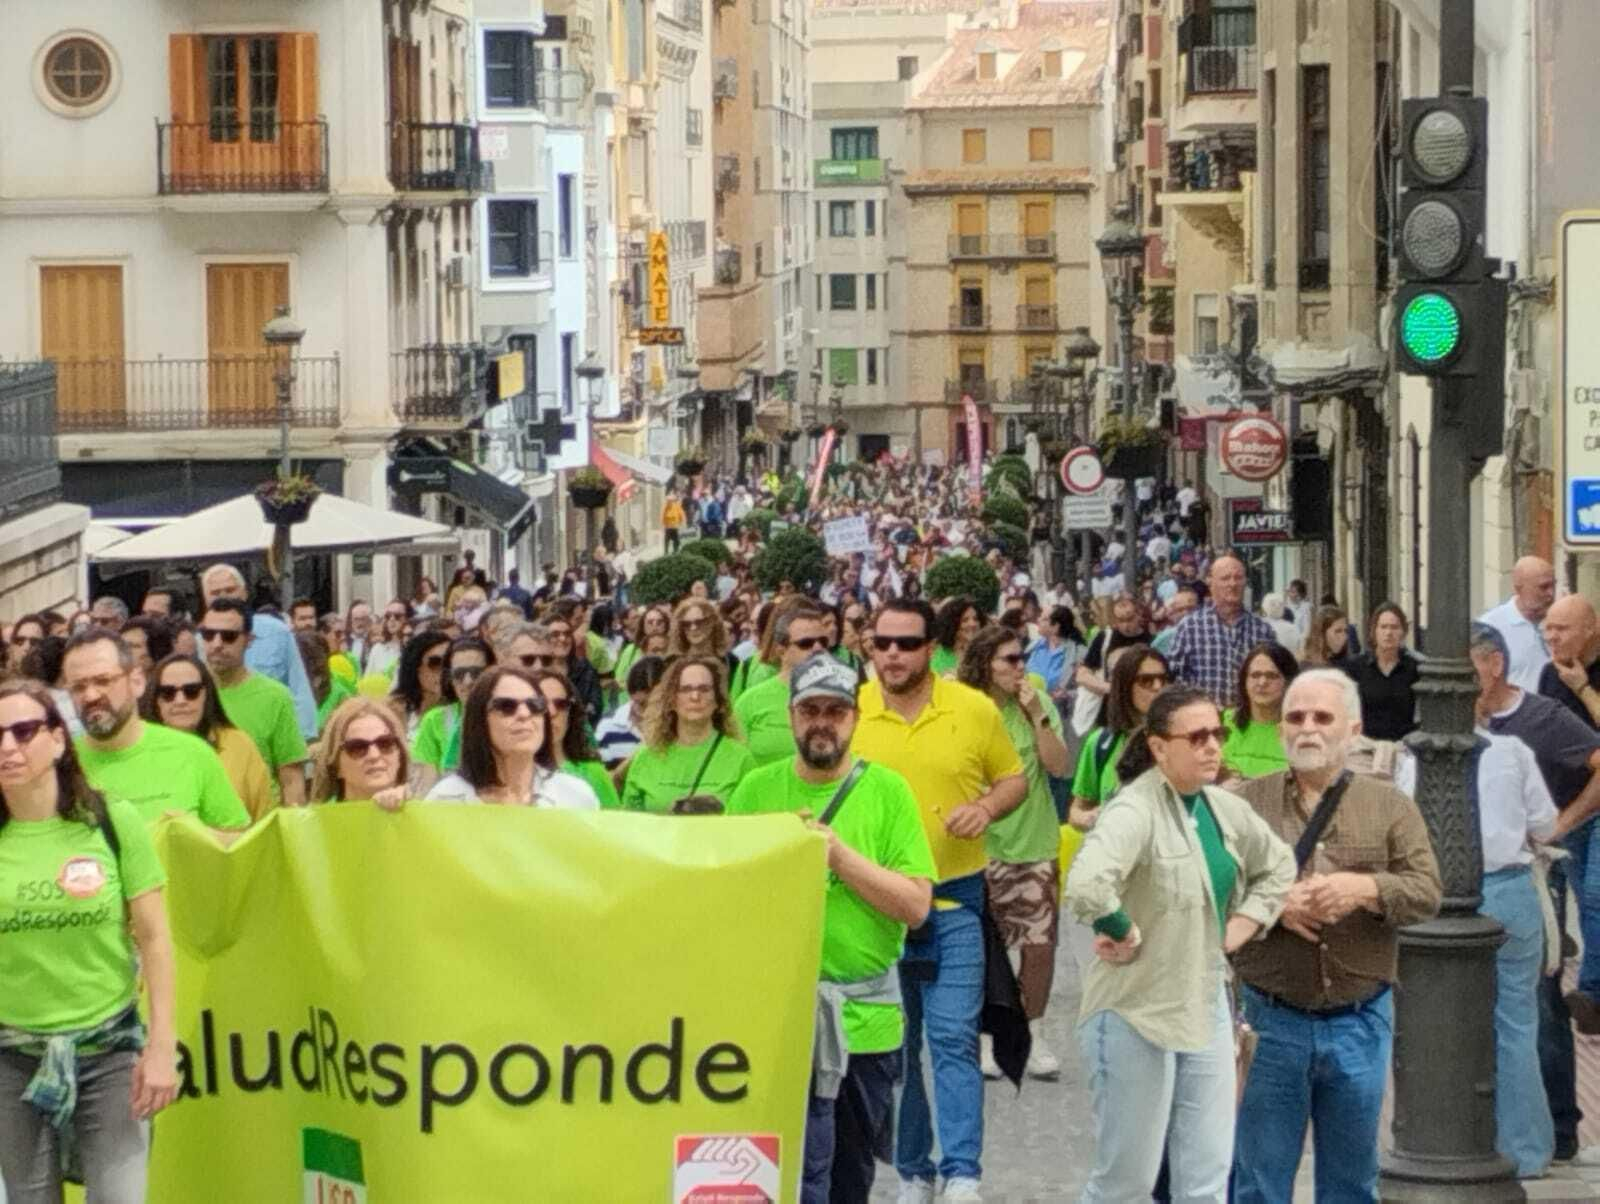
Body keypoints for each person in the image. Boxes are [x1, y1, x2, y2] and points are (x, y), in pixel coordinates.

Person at [1065, 684, 1296, 1204]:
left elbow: (1278, 864)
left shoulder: (1220, 806)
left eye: (1217, 733)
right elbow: (1085, 884)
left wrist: (1241, 926)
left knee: (1207, 1179)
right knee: (1126, 1181)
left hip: (1206, 999)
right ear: (1158, 746)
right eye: (1196, 737)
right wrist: (1122, 927)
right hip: (1135, 1007)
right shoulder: (1134, 809)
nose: (1212, 746)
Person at [726, 655, 935, 1204]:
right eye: (810, 709)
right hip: (776, 1022)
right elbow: (726, 899)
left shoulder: (888, 792)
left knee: (847, 1179)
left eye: (836, 711)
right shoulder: (754, 790)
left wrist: (839, 857)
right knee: (785, 1178)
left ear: (854, 718)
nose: (823, 722)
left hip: (864, 1024)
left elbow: (916, 906)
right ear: (792, 716)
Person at [1230, 669, 1443, 1202]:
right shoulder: (1244, 805)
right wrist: (1275, 906)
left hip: (1358, 1021)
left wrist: (1363, 887)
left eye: (1322, 718)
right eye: (1296, 718)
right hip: (1268, 1020)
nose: (1308, 729)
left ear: (1353, 729)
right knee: (1257, 1180)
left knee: (1351, 1184)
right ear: (1280, 730)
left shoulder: (1390, 805)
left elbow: (1426, 892)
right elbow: (1210, 894)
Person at [850, 598, 1026, 1201]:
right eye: (882, 644)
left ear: (932, 648)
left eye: (906, 644)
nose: (893, 655)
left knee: (951, 1036)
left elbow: (1014, 779)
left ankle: (962, 1174)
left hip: (955, 899)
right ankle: (913, 1170)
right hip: (879, 902)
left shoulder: (972, 709)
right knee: (899, 1043)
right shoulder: (853, 710)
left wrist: (985, 807)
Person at [0, 681, 180, 1197]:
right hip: (12, 1058)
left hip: (110, 1050)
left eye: (25, 731)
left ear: (58, 740)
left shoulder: (109, 822)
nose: (9, 747)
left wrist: (162, 1047)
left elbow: (155, 938)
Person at [1470, 623, 1600, 1154]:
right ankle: (1511, 1138)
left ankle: (1558, 1129)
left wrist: (1558, 828)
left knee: (1538, 1006)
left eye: (1465, 667)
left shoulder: (1538, 722)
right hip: (1473, 883)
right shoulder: (1449, 728)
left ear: (1493, 664)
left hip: (1524, 874)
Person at [957, 627, 1070, 1082]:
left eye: (1022, 658)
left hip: (1035, 841)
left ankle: (1033, 1035)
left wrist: (1038, 715)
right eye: (1009, 660)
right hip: (982, 847)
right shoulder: (968, 710)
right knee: (990, 948)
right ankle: (989, 1038)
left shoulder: (1034, 704)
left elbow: (1060, 766)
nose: (1020, 666)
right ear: (986, 664)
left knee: (1040, 947)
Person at [63, 630, 250, 834]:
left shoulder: (192, 753)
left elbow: (238, 842)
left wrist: (191, 836)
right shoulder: (62, 767)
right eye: (78, 687)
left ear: (137, 682)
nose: (90, 696)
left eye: (103, 681)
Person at [424, 668, 600, 808]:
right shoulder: (445, 799)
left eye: (535, 705)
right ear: (479, 720)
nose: (524, 714)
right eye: (506, 706)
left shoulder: (577, 797)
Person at [198, 598, 309, 807]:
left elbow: (291, 778)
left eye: (228, 636)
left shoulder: (275, 696)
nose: (217, 644)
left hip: (259, 827)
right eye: (208, 635)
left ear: (249, 640)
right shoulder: (183, 692)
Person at [143, 653, 277, 823]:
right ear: (156, 700)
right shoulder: (137, 748)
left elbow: (263, 818)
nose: (180, 700)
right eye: (168, 693)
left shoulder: (238, 745)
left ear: (206, 694)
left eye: (191, 691)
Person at [199, 564, 318, 741]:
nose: (223, 596)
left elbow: (299, 688)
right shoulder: (199, 641)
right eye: (215, 593)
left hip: (273, 736)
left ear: (244, 593)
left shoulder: (277, 632)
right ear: (205, 599)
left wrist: (306, 739)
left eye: (230, 590)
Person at [621, 657, 755, 812]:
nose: (695, 697)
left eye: (704, 689)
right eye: (685, 689)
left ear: (717, 701)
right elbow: (630, 822)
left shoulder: (741, 759)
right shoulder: (646, 757)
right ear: (671, 700)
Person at [1069, 646, 1169, 832]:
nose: (1158, 687)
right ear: (1125, 686)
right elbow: (1077, 810)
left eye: (1163, 679)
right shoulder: (1101, 742)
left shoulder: (1183, 739)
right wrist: (1090, 817)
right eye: (1146, 681)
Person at [1164, 555, 1277, 710]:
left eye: (1238, 578)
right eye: (1225, 578)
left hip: (1246, 721)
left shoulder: (1262, 630)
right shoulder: (1190, 627)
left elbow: (1274, 677)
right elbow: (1174, 678)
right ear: (1211, 583)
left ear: (1245, 582)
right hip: (1202, 722)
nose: (1232, 584)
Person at [733, 603, 833, 767]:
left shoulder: (844, 698)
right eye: (806, 643)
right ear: (781, 651)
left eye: (823, 641)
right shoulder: (750, 702)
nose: (817, 648)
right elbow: (734, 764)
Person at [409, 638, 494, 795]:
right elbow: (427, 788)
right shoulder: (434, 720)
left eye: (477, 673)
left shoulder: (510, 716)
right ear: (449, 679)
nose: (468, 681)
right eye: (459, 674)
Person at [530, 669, 621, 809]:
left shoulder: (594, 773)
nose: (552, 712)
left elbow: (614, 826)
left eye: (561, 704)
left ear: (571, 713)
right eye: (541, 704)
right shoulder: (509, 773)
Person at [309, 698, 410, 808]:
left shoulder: (423, 812)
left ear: (400, 755)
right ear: (336, 764)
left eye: (385, 743)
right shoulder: (314, 821)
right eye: (357, 747)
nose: (374, 755)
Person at [1478, 555, 1557, 692]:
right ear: (1518, 588)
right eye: (1543, 587)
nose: (1551, 593)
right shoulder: (1490, 628)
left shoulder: (1561, 620)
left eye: (1553, 585)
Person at [1221, 642, 1299, 781]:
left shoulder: (1300, 732)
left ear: (1288, 682)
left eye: (1272, 676)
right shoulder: (1221, 723)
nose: (1262, 682)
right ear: (1244, 681)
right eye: (1255, 675)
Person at [1072, 594, 1149, 733]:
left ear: (1139, 614)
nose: (1125, 625)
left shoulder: (1150, 640)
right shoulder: (1104, 638)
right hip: (1108, 716)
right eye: (1120, 620)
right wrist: (1111, 688)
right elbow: (1082, 676)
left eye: (1130, 619)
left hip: (1140, 714)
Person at [1349, 603, 1421, 741]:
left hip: (1403, 747)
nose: (1388, 633)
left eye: (1394, 627)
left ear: (1403, 632)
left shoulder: (1414, 668)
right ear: (1374, 631)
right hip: (1365, 746)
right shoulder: (1357, 667)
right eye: (1383, 627)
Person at [595, 656, 667, 771]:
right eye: (639, 704)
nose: (643, 713)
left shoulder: (676, 727)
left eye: (651, 704)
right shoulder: (608, 726)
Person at [389, 631, 452, 742]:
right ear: (416, 667)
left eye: (449, 663)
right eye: (435, 663)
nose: (443, 671)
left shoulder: (458, 711)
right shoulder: (393, 709)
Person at [1025, 605, 1084, 706]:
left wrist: (1068, 694)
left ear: (1056, 626)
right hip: (1029, 706)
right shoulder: (1033, 647)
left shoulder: (1078, 653)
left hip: (1059, 711)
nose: (1038, 620)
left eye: (1044, 619)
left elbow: (1084, 690)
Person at [297, 629, 354, 734]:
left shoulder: (340, 695)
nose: (314, 666)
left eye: (317, 659)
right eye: (306, 660)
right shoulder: (287, 694)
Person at [668, 596, 733, 671]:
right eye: (686, 624)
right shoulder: (673, 663)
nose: (693, 628)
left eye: (699, 622)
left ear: (712, 622)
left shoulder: (730, 661)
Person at [930, 596, 985, 677]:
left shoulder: (985, 653)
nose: (972, 624)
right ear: (952, 624)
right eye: (965, 620)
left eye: (976, 619)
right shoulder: (935, 653)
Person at [615, 603, 672, 682]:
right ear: (643, 626)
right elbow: (619, 680)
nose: (654, 626)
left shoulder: (674, 650)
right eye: (650, 622)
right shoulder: (631, 651)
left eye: (659, 622)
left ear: (666, 625)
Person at [1299, 604, 1353, 669]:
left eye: (1345, 631)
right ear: (1321, 632)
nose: (1345, 637)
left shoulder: (1343, 664)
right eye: (1338, 631)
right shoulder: (1308, 668)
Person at [364, 602, 409, 679]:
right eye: (388, 616)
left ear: (406, 619)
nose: (392, 619)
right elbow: (367, 680)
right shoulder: (377, 649)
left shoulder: (412, 648)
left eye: (397, 616)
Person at [662, 490, 686, 554]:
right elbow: (663, 517)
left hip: (675, 526)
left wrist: (681, 524)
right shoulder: (666, 508)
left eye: (670, 500)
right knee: (666, 540)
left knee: (676, 540)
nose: (669, 502)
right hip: (668, 527)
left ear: (673, 501)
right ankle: (666, 552)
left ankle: (675, 551)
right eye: (668, 500)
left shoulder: (677, 507)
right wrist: (664, 525)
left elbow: (682, 515)